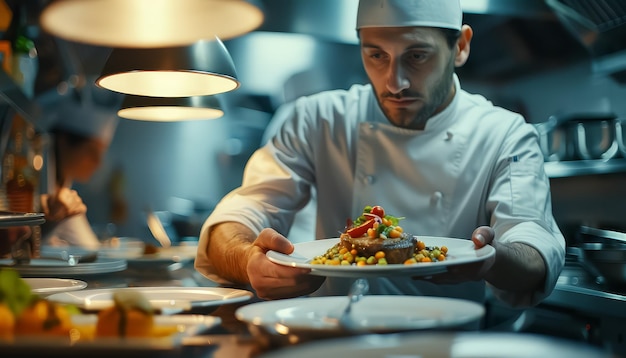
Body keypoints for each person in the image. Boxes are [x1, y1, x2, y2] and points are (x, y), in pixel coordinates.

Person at [195, 0, 566, 308]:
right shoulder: (317, 119)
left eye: (417, 56)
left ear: (461, 47)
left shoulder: (504, 133)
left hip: (447, 341)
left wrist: (491, 258)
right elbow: (239, 215)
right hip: (332, 336)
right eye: (376, 55)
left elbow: (533, 247)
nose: (395, 82)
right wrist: (247, 260)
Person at [39, 97, 118, 250]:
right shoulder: (33, 177)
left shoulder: (64, 184)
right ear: (63, 141)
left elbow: (88, 246)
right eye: (91, 152)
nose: (98, 163)